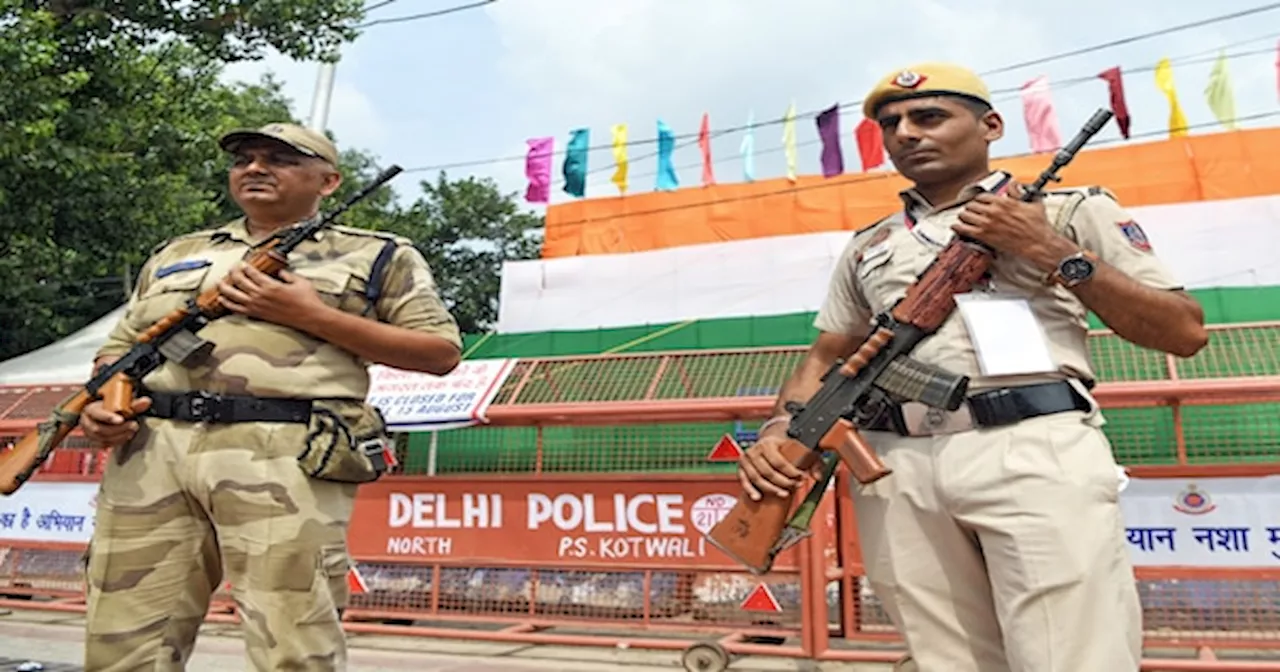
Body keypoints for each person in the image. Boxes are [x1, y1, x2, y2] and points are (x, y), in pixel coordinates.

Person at [736, 63, 1208, 672]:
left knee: (1071, 655)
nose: (907, 132)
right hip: (893, 467)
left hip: (1030, 447)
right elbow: (828, 354)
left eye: (929, 116)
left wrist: (1049, 250)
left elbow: (1183, 330)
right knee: (945, 659)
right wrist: (779, 429)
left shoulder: (1068, 211)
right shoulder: (870, 245)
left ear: (990, 126)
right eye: (892, 124)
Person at [77, 122, 463, 671]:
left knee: (292, 641)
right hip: (151, 450)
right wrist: (101, 402)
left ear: (328, 181)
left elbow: (439, 352)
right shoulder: (176, 253)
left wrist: (309, 315)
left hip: (283, 452)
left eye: (279, 159)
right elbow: (118, 348)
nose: (255, 168)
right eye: (244, 159)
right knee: (122, 640)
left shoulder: (378, 255)